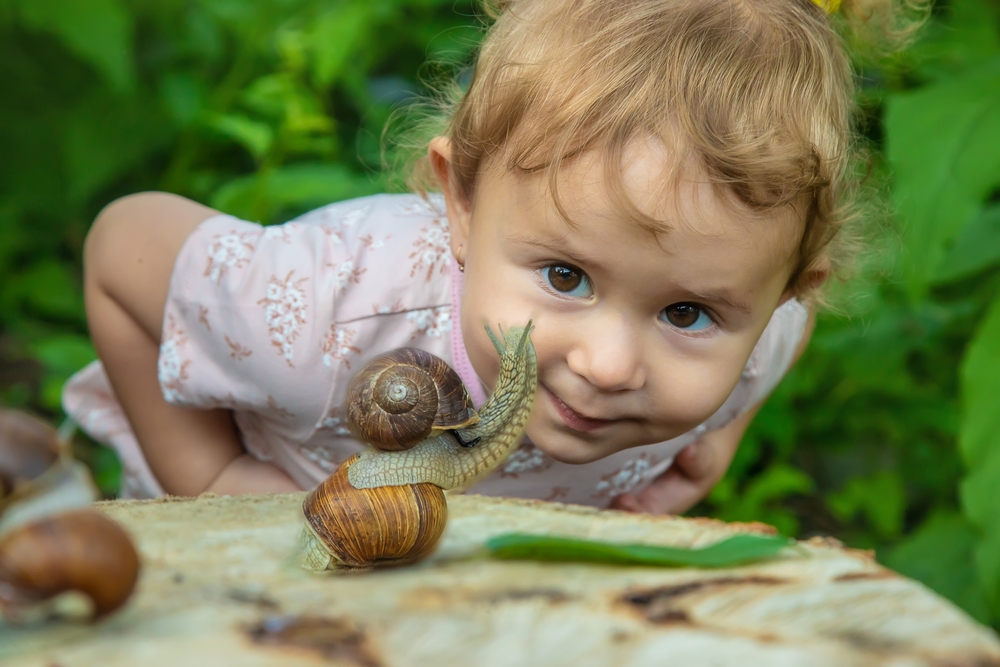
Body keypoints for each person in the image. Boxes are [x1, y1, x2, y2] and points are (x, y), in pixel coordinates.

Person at [63, 0, 920, 511]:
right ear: (460, 201)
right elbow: (123, 245)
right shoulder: (323, 321)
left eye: (685, 312)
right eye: (565, 276)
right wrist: (210, 480)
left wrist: (719, 438)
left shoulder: (759, 328)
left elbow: (788, 331)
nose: (610, 364)